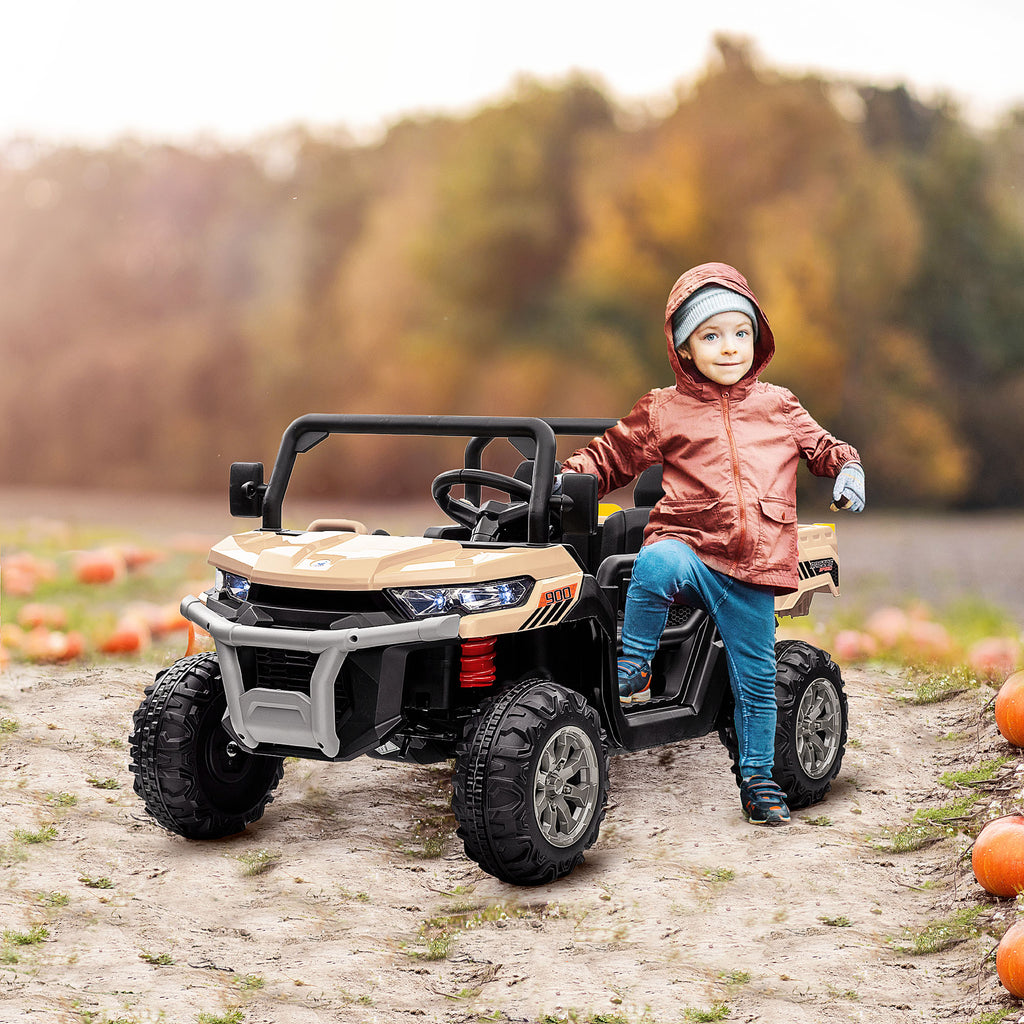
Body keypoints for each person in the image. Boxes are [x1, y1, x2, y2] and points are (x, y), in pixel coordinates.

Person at [558, 262, 864, 827]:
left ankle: (759, 780)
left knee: (757, 682)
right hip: (691, 546)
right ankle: (636, 666)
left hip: (753, 566)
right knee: (654, 561)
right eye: (711, 336)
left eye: (741, 333)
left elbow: (822, 446)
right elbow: (611, 456)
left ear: (757, 338)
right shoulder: (663, 409)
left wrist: (847, 467)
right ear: (684, 348)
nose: (729, 347)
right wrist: (567, 480)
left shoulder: (779, 405)